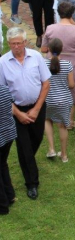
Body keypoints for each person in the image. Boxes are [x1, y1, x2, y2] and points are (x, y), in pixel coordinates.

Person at [0, 27, 51, 200]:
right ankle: (32, 183)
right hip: (15, 110)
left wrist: (36, 109)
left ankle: (27, 162)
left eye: (19, 43)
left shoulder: (36, 57)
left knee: (36, 139)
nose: (16, 47)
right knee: (24, 147)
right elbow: (1, 92)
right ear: (8, 44)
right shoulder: (2, 62)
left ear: (25, 42)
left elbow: (46, 83)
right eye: (12, 44)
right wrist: (18, 114)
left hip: (37, 106)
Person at [41, 2, 75, 129]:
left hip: (52, 62)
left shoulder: (50, 28)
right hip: (73, 62)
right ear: (72, 14)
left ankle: (50, 115)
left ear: (59, 13)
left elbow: (44, 49)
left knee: (52, 87)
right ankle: (70, 121)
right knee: (72, 90)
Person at [43, 38, 74, 163]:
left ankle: (51, 149)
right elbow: (71, 85)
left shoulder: (43, 64)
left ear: (48, 50)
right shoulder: (67, 64)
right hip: (64, 100)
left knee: (47, 120)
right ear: (62, 49)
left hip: (47, 99)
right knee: (62, 126)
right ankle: (64, 155)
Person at [0, 84, 16, 215]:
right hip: (9, 134)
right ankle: (10, 195)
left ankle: (2, 206)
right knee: (2, 164)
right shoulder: (4, 88)